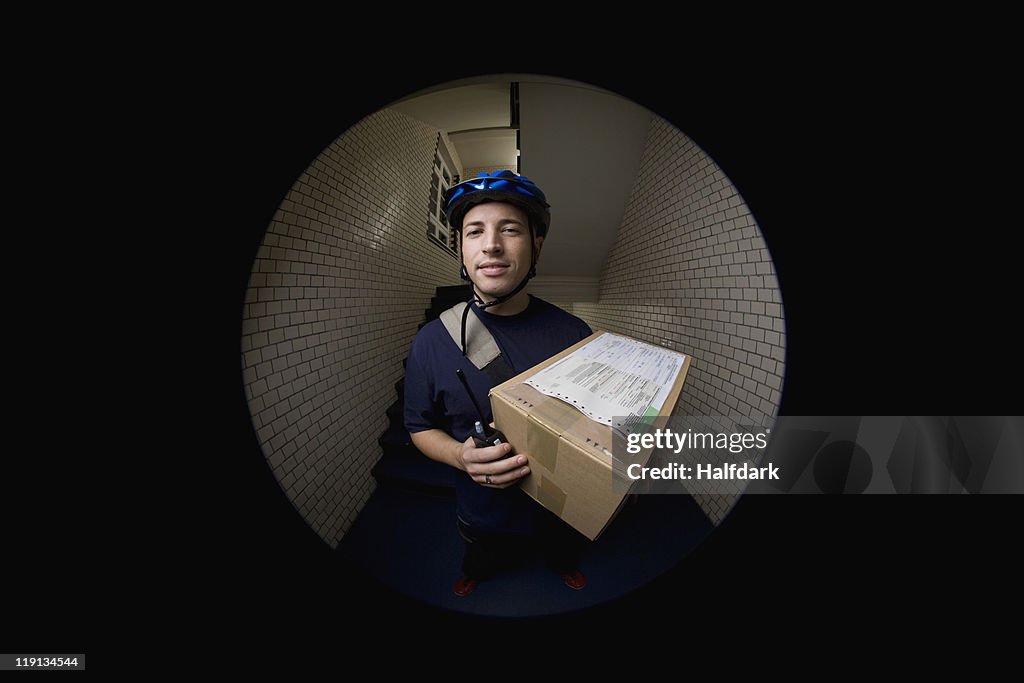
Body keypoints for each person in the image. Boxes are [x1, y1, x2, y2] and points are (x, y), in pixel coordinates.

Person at [404, 170, 593, 597]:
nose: (491, 244)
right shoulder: (431, 341)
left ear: (536, 246)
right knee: (482, 556)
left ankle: (563, 565)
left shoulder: (575, 333)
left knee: (561, 549)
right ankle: (476, 570)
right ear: (462, 248)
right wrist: (459, 456)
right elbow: (419, 427)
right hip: (483, 507)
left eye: (510, 230)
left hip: (559, 502)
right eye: (475, 231)